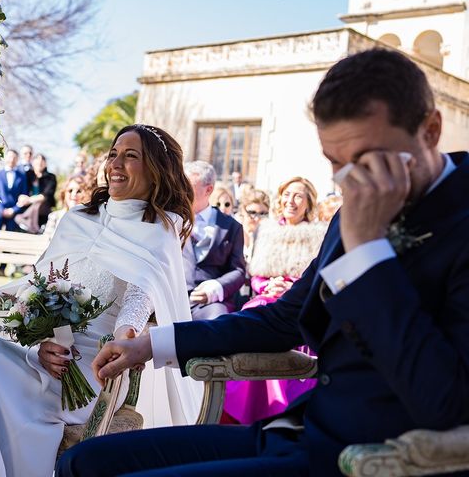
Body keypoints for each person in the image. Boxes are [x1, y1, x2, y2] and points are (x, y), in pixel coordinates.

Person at [58, 49, 469, 477]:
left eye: (367, 160)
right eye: (336, 164)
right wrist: (150, 344)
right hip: (294, 433)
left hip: (368, 460)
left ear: (431, 130)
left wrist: (367, 255)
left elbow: (447, 401)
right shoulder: (356, 211)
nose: (352, 182)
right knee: (83, 463)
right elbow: (282, 321)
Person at [0, 124, 203, 477]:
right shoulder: (77, 219)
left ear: (155, 169)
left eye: (131, 156)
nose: (116, 164)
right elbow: (36, 288)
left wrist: (126, 338)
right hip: (38, 352)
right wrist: (38, 344)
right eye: (113, 154)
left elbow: (140, 300)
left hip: (87, 369)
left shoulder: (161, 229)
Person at [224, 177, 327, 425]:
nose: (291, 201)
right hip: (266, 298)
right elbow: (256, 275)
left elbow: (318, 279)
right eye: (287, 194)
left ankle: (283, 409)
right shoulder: (268, 230)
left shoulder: (318, 234)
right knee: (254, 311)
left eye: (299, 196)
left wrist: (290, 288)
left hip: (299, 303)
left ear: (308, 202)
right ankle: (245, 408)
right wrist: (269, 285)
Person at [184, 161, 245, 321]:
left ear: (208, 189)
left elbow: (238, 271)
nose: (182, 191)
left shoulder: (232, 226)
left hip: (209, 305)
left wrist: (216, 288)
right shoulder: (169, 220)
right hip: (171, 298)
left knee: (218, 321)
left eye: (188, 186)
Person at [37, 175, 87, 254]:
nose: (74, 194)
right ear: (64, 194)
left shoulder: (88, 219)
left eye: (79, 191)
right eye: (70, 191)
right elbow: (45, 243)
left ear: (85, 195)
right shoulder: (54, 216)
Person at [15, 153, 58, 233]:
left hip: (44, 206)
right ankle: (31, 225)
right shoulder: (27, 174)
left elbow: (46, 195)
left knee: (37, 203)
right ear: (33, 162)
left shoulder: (51, 177)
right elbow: (21, 189)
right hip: (27, 205)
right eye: (37, 162)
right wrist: (22, 197)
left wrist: (29, 200)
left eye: (42, 162)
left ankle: (29, 225)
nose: (39, 164)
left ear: (45, 164)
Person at [0, 149, 29, 232]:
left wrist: (13, 210)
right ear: (6, 158)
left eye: (15, 158)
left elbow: (24, 195)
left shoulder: (22, 176)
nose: (12, 159)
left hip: (14, 214)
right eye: (10, 157)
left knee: (10, 239)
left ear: (17, 160)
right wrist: (1, 210)